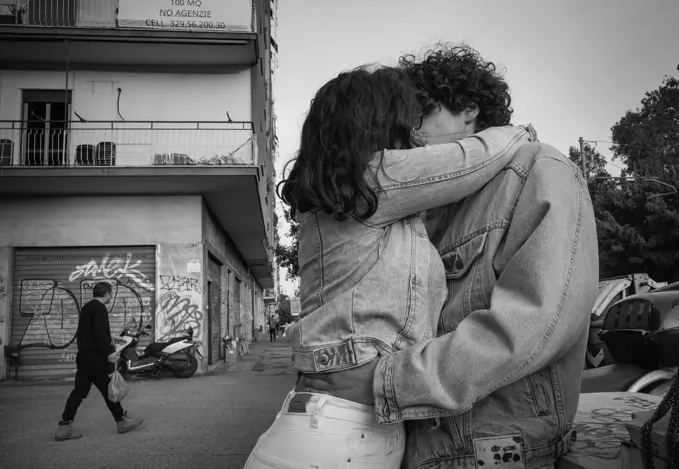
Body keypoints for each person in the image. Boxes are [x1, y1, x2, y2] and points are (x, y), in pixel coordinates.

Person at [298, 45, 600, 469]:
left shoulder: (539, 171)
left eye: (422, 110)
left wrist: (391, 380)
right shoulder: (421, 203)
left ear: (470, 109)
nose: (409, 129)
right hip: (412, 449)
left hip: (494, 454)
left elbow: (535, 321)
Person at [242, 64, 534, 469]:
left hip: (330, 429)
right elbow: (473, 159)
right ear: (378, 123)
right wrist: (520, 132)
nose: (415, 132)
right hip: (339, 436)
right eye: (408, 118)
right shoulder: (376, 178)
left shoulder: (354, 194)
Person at [54, 282, 144, 441]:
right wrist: (110, 352)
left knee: (79, 391)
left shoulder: (87, 307)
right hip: (97, 358)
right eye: (111, 293)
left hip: (84, 357)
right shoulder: (100, 308)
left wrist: (111, 339)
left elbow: (91, 333)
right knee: (108, 389)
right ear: (107, 293)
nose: (111, 296)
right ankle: (121, 421)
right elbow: (100, 333)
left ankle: (64, 426)